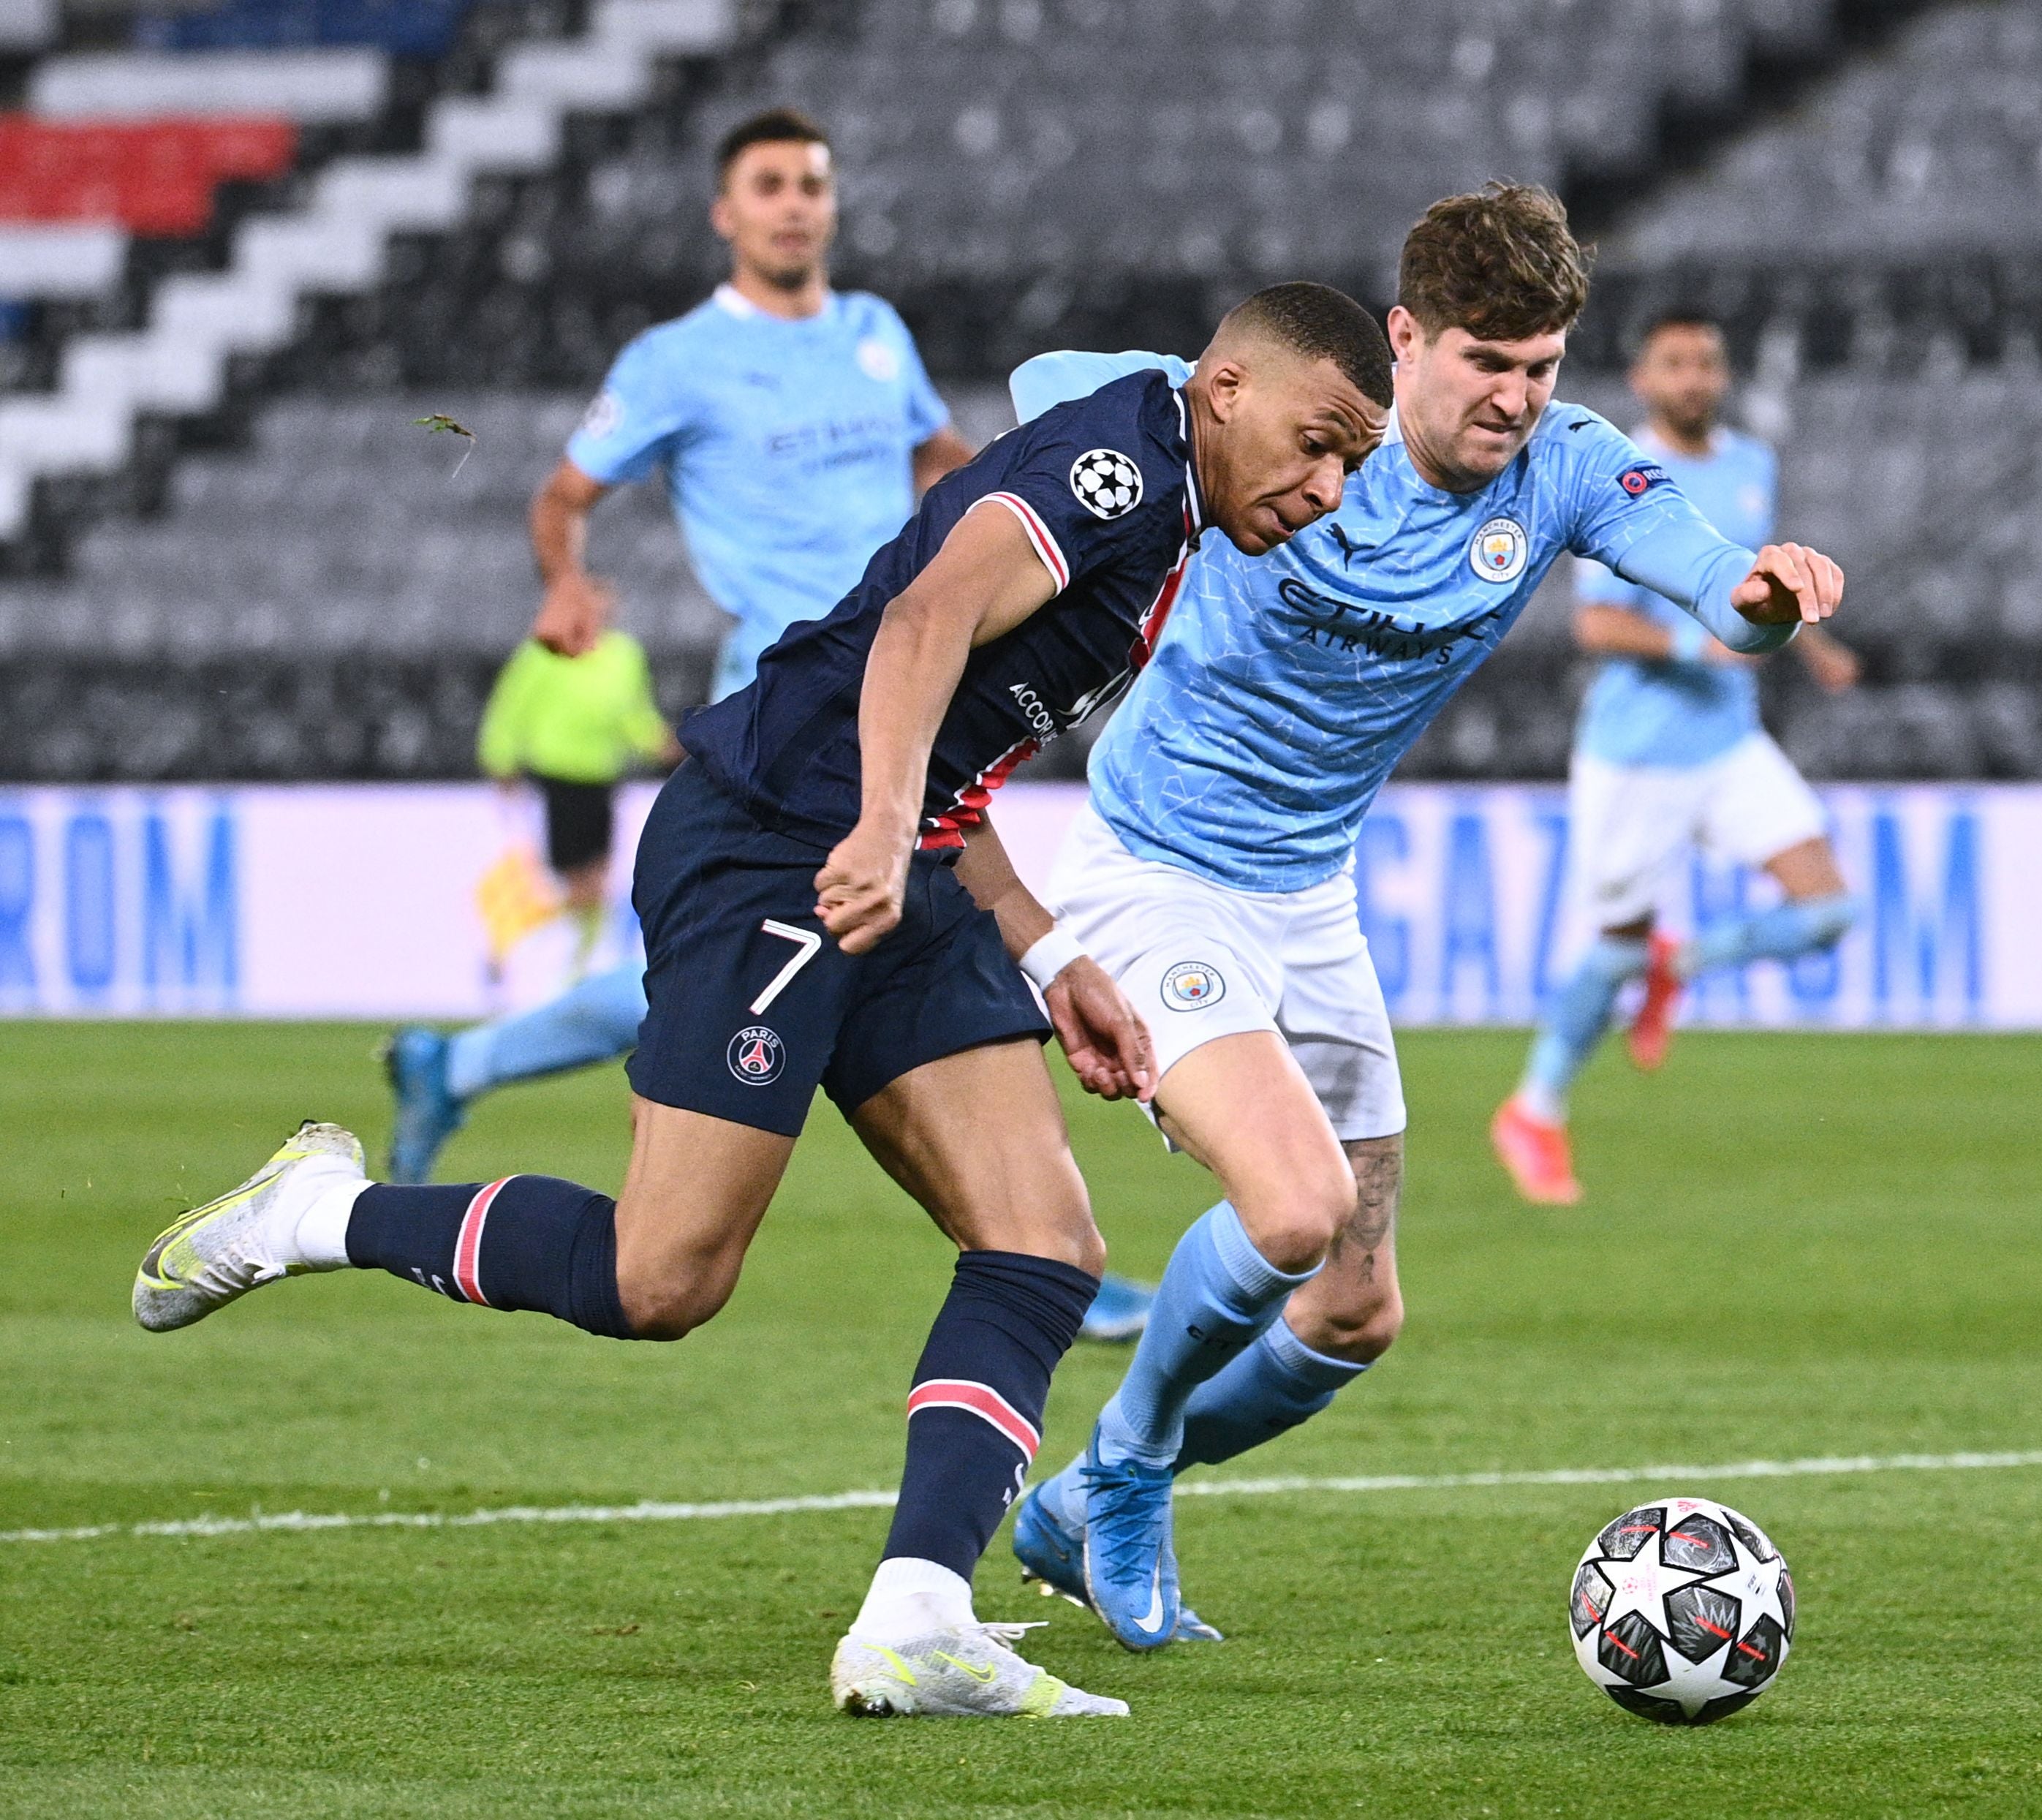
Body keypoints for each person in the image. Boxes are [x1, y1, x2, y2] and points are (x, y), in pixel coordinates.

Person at [131, 282, 1396, 1718]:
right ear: (1227, 388)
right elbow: (920, 624)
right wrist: (868, 828)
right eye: (1319, 440)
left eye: (1353, 461)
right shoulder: (1119, 473)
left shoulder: (1167, 506)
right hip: (776, 842)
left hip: (888, 854)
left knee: (1042, 1240)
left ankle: (918, 1615)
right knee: (661, 1277)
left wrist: (1046, 950)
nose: (1328, 485)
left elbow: (949, 726)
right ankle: (314, 1212)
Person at [992, 185, 1845, 1652]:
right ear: (1404, 341)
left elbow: (1711, 579)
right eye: (1484, 362)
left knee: (1351, 1310)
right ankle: (1125, 1470)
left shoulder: (1564, 471)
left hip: (1311, 897)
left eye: (1541, 365)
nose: (1515, 396)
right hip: (1150, 873)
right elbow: (1048, 392)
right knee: (1293, 1206)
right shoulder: (1293, 424)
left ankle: (1077, 1500)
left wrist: (1766, 597)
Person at [381, 109, 1159, 1330]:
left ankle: (1034, 1236)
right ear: (724, 213)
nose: (796, 203)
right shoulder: (673, 358)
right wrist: (566, 582)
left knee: (820, 961)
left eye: (812, 183)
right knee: (778, 976)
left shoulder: (871, 335)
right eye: (770, 185)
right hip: (790, 697)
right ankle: (1032, 1237)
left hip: (917, 686)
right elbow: (564, 492)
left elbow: (939, 459)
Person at [1491, 309, 1864, 1205]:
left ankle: (1679, 964)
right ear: (1643, 377)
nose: (1695, 378)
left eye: (1707, 361)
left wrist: (1810, 645)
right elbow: (1595, 621)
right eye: (1675, 363)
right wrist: (1707, 647)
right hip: (1637, 755)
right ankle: (1534, 1108)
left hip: (1730, 743)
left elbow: (1758, 582)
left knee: (1828, 909)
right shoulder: (1617, 475)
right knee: (1610, 948)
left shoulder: (1749, 465)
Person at [475, 625, 681, 971]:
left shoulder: (624, 653)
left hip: (603, 774)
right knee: (579, 884)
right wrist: (501, 757)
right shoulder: (543, 651)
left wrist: (659, 745)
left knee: (596, 881)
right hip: (559, 772)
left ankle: (578, 967)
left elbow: (632, 714)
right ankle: (524, 949)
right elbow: (512, 705)